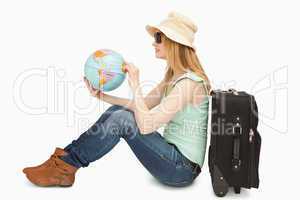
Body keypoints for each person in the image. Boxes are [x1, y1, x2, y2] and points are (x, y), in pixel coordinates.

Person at [23, 11, 212, 188]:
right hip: (170, 158)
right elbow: (142, 106)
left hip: (182, 170)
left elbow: (146, 126)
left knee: (123, 119)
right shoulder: (174, 77)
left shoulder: (190, 83)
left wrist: (135, 84)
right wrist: (103, 96)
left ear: (174, 43)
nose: (153, 43)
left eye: (158, 38)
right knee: (119, 112)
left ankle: (65, 167)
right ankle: (63, 161)